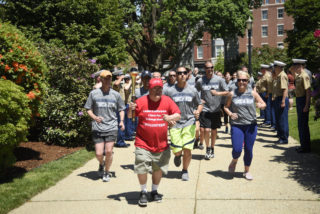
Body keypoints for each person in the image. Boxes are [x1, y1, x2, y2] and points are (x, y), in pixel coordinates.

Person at [128, 78, 181, 207]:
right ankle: (143, 192)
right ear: (149, 89)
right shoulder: (140, 101)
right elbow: (130, 116)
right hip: (143, 142)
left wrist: (170, 117)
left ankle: (154, 190)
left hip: (161, 144)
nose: (158, 91)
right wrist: (130, 109)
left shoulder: (167, 101)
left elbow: (178, 114)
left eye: (160, 88)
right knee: (141, 166)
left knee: (158, 169)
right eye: (155, 88)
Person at [84, 70, 126, 182]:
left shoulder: (116, 95)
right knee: (98, 153)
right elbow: (88, 109)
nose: (108, 80)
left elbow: (121, 109)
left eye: (109, 78)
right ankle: (102, 164)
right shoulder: (94, 94)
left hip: (111, 126)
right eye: (105, 78)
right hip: (98, 127)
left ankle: (107, 172)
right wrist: (94, 117)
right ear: (100, 79)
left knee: (108, 151)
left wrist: (121, 121)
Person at [224, 70, 266, 180]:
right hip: (237, 125)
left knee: (248, 149)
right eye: (239, 80)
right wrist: (230, 113)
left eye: (244, 80)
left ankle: (246, 170)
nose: (242, 82)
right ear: (236, 81)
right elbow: (225, 107)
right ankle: (234, 160)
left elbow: (264, 104)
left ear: (248, 81)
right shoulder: (232, 94)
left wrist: (260, 105)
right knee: (237, 149)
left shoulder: (252, 93)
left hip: (251, 125)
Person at [164, 67, 202, 181]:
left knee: (187, 149)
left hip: (189, 122)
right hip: (175, 124)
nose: (181, 75)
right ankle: (177, 156)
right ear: (176, 75)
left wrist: (198, 111)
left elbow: (199, 104)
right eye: (179, 73)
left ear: (187, 75)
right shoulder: (169, 91)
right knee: (177, 150)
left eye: (184, 73)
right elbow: (165, 106)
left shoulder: (192, 90)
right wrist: (168, 118)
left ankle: (185, 170)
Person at [196, 61, 228, 160]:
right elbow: (195, 91)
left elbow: (227, 92)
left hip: (216, 109)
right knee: (206, 130)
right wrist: (198, 100)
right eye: (207, 68)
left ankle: (212, 148)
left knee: (214, 130)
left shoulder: (219, 80)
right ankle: (207, 148)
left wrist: (218, 94)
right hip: (205, 109)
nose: (210, 69)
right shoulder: (201, 81)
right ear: (204, 69)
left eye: (211, 67)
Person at [290, 59, 311, 153]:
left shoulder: (304, 76)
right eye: (294, 67)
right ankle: (303, 145)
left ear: (300, 66)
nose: (294, 68)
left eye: (296, 66)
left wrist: (307, 105)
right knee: (300, 124)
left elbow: (308, 92)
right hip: (299, 100)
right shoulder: (298, 76)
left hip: (303, 100)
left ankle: (306, 147)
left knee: (303, 125)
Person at [273, 60, 289, 144]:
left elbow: (285, 89)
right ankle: (281, 135)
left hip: (281, 99)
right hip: (278, 98)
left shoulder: (282, 75)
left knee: (282, 119)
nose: (274, 68)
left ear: (279, 67)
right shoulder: (278, 76)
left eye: (275, 67)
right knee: (279, 118)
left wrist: (283, 101)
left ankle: (284, 138)